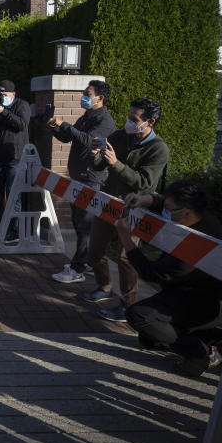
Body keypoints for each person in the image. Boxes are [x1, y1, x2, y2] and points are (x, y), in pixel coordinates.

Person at [116, 180, 222, 377]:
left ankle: (198, 353)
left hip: (206, 304)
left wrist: (126, 239)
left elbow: (151, 273)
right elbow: (164, 203)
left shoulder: (196, 244)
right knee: (150, 338)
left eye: (170, 210)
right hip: (191, 293)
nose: (166, 214)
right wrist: (143, 199)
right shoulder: (199, 216)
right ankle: (217, 337)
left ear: (186, 212)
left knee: (139, 317)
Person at [81, 97, 170, 322]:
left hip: (134, 207)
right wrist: (95, 156)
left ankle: (127, 305)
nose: (129, 122)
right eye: (129, 116)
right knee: (95, 249)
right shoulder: (121, 136)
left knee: (126, 257)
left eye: (134, 119)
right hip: (109, 202)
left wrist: (116, 164)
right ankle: (104, 287)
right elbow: (100, 165)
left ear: (150, 121)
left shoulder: (158, 149)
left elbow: (144, 183)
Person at [48, 80, 117, 283]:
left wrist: (65, 124)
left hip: (91, 179)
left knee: (86, 224)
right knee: (79, 222)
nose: (83, 96)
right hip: (78, 178)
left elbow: (89, 140)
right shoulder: (86, 117)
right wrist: (54, 126)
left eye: (87, 93)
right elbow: (68, 138)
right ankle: (85, 262)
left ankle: (77, 268)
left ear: (100, 98)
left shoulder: (104, 121)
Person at [0, 80, 31, 241]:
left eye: (5, 95)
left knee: (14, 195)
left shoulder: (22, 105)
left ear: (13, 94)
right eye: (0, 95)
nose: (2, 97)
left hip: (15, 159)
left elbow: (22, 125)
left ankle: (14, 230)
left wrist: (4, 111)